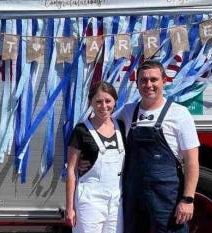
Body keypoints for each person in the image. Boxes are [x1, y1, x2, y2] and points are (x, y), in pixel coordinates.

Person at [117, 60, 200, 233]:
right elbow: (102, 132)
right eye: (143, 80)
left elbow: (192, 161)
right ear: (137, 82)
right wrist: (86, 157)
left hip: (166, 195)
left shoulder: (179, 114)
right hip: (134, 196)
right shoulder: (127, 112)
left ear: (164, 80)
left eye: (154, 80)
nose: (149, 85)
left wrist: (187, 199)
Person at [66, 82, 126, 233]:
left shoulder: (122, 126)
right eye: (98, 101)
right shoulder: (81, 130)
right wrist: (69, 208)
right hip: (90, 200)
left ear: (115, 101)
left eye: (108, 101)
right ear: (90, 102)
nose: (103, 106)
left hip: (116, 201)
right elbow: (71, 171)